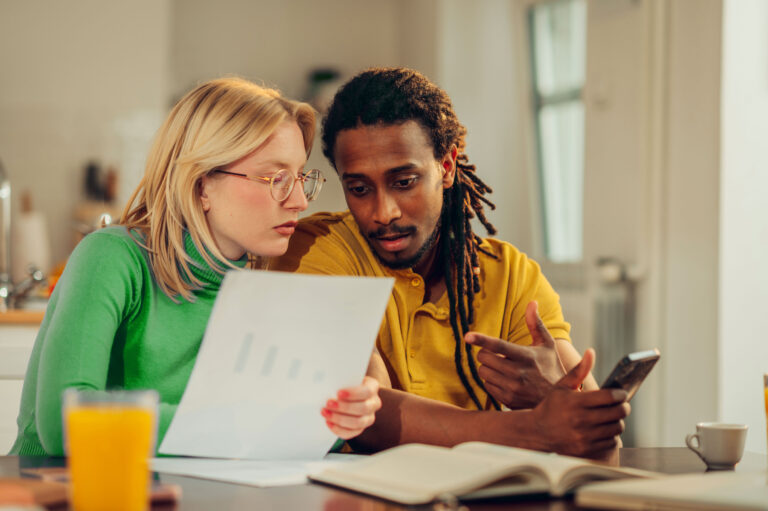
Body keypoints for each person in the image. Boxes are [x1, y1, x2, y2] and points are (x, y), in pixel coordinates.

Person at [10, 77, 381, 456]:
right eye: (276, 178)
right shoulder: (111, 258)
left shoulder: (258, 288)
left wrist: (344, 414)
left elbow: (282, 427)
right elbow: (64, 422)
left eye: (301, 177)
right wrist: (242, 423)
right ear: (202, 185)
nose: (300, 200)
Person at [271, 68, 628, 459]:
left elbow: (600, 441)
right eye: (359, 189)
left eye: (404, 181)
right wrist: (536, 428)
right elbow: (367, 414)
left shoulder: (511, 275)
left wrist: (552, 397)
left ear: (447, 166)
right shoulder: (314, 250)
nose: (383, 212)